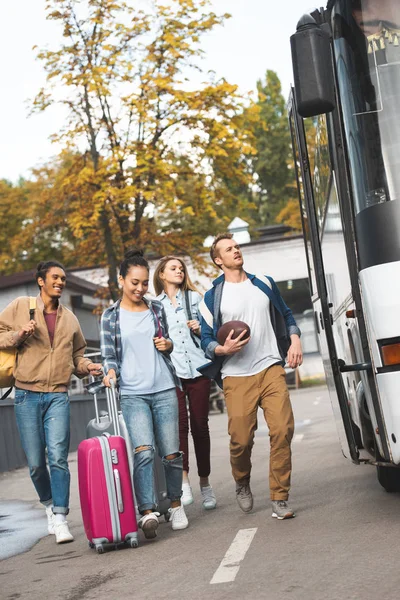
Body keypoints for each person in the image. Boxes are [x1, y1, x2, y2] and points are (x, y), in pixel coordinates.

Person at [198, 233, 303, 520]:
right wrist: (222, 348)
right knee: (241, 440)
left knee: (282, 429)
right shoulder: (212, 296)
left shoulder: (264, 284)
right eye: (228, 249)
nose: (235, 251)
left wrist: (294, 340)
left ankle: (279, 498)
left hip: (270, 367)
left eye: (236, 247)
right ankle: (242, 480)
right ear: (218, 260)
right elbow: (205, 339)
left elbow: (287, 315)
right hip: (236, 374)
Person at [0, 261, 102, 543]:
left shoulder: (70, 319)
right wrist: (18, 335)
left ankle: (60, 517)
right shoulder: (20, 306)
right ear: (41, 281)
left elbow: (77, 356)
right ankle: (48, 503)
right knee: (35, 463)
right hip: (26, 395)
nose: (60, 282)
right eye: (55, 277)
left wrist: (86, 366)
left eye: (64, 278)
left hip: (58, 394)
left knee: (57, 457)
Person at [101, 249, 189, 539]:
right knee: (143, 452)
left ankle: (175, 505)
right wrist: (110, 372)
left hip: (164, 387)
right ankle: (147, 511)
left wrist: (168, 345)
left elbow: (168, 343)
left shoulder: (156, 309)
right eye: (134, 282)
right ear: (121, 279)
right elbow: (109, 356)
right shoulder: (110, 316)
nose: (140, 288)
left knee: (172, 453)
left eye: (144, 283)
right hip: (132, 394)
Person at [153, 256, 217, 510]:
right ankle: (184, 482)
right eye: (173, 268)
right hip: (172, 373)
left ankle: (205, 483)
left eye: (181, 268)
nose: (179, 271)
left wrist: (200, 329)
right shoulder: (153, 306)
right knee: (179, 429)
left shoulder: (195, 298)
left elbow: (210, 332)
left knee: (200, 427)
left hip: (198, 369)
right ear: (161, 274)